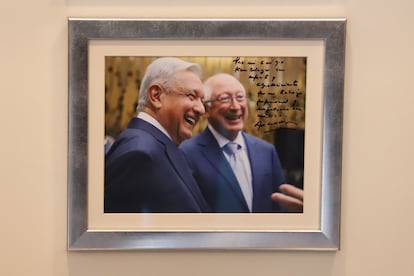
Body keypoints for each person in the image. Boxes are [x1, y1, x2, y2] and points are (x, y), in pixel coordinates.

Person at [180, 73, 303, 213]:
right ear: (206, 109)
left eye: (240, 97)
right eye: (225, 99)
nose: (235, 106)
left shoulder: (266, 151)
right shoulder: (185, 154)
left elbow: (281, 207)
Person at [104, 57, 210, 213]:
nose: (201, 109)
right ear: (156, 96)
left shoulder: (157, 146)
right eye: (191, 96)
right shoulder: (139, 154)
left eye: (202, 100)